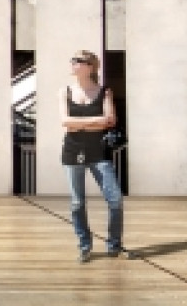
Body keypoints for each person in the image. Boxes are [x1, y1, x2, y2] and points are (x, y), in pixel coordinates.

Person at [60, 49, 133, 263]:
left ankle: (114, 244)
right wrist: (96, 121)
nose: (73, 64)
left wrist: (79, 124)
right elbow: (65, 122)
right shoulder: (65, 91)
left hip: (99, 152)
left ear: (90, 66)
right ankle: (84, 245)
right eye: (72, 60)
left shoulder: (104, 92)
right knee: (77, 203)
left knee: (115, 199)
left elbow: (110, 120)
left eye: (78, 61)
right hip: (72, 151)